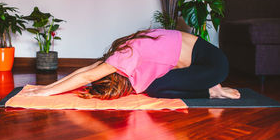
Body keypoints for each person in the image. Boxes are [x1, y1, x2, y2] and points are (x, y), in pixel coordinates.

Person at [22, 29, 241, 99]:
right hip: (210, 58)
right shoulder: (125, 48)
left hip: (213, 67)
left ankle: (211, 91)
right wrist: (48, 87)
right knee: (154, 84)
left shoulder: (126, 57)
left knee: (154, 88)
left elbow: (88, 77)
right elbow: (88, 69)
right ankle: (208, 85)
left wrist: (45, 94)